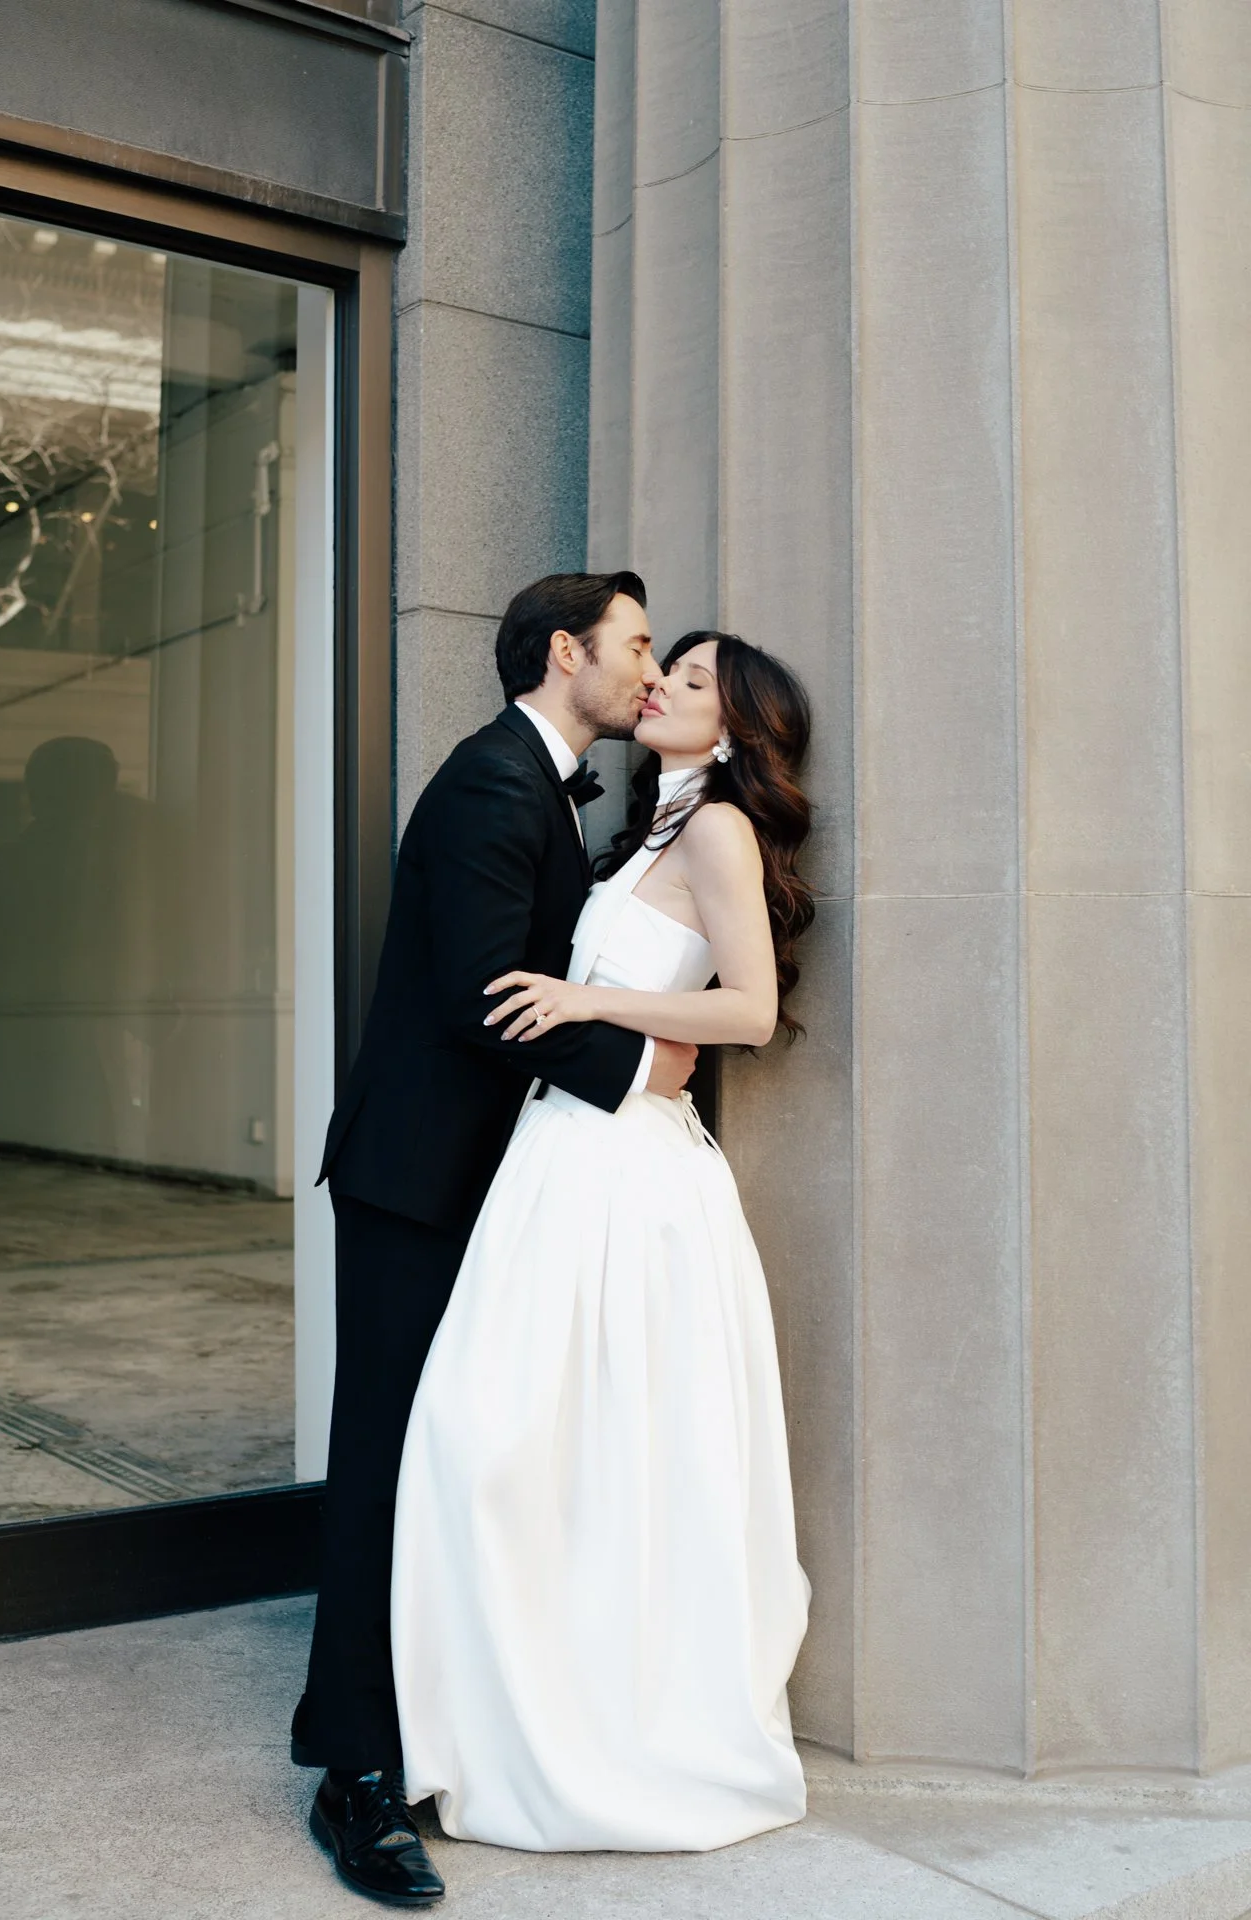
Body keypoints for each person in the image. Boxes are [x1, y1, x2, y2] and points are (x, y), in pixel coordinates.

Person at [293, 573, 699, 1906]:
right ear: (567, 651)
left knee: (455, 1460)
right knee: (385, 1462)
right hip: (420, 1182)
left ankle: (438, 1723)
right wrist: (640, 1073)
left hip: (488, 1185)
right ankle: (352, 1773)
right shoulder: (489, 781)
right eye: (637, 645)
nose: (649, 669)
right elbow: (487, 997)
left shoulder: (546, 782)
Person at [392, 630, 815, 1852]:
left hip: (630, 1181)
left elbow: (747, 1009)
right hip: (559, 1161)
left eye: (686, 681)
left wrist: (589, 999)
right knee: (504, 1442)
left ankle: (608, 1729)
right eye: (657, 663)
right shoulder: (644, 833)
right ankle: (501, 1718)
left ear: (730, 726)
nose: (657, 685)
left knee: (601, 1452)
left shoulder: (721, 830)